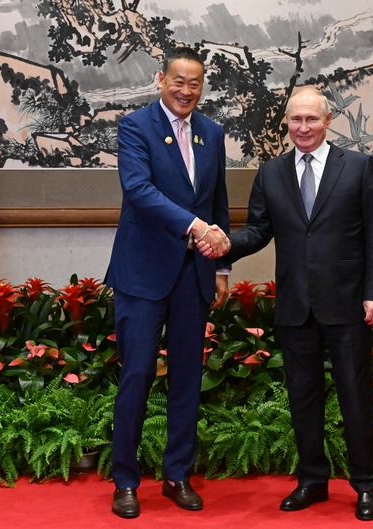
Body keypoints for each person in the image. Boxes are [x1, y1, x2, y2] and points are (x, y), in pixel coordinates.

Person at [204, 86, 373, 521]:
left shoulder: (358, 167)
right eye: (295, 120)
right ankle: (312, 480)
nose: (303, 128)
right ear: (285, 123)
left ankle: (365, 485)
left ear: (327, 121)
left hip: (348, 305)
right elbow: (257, 231)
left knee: (355, 398)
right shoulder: (270, 173)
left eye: (311, 119)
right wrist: (224, 243)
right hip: (295, 306)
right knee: (303, 398)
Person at [105, 46, 231, 519]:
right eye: (178, 81)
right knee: (137, 375)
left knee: (186, 380)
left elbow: (217, 200)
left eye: (195, 83)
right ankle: (125, 480)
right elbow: (138, 191)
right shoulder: (136, 127)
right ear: (161, 80)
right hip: (143, 275)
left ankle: (177, 475)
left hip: (194, 277)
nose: (186, 90)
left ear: (202, 86)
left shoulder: (212, 133)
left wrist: (221, 267)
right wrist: (196, 228)